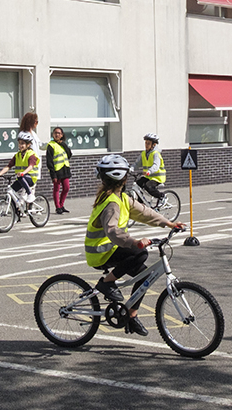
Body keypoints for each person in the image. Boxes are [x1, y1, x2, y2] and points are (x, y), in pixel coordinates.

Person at [87, 154, 187, 336]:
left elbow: (145, 213)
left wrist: (169, 223)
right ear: (124, 179)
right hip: (101, 252)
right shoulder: (112, 203)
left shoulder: (121, 198)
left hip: (111, 249)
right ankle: (107, 283)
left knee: (145, 275)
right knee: (139, 253)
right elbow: (112, 231)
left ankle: (131, 316)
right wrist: (134, 242)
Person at [0, 129, 40, 204]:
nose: (20, 145)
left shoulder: (31, 155)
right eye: (19, 143)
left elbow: (30, 166)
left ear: (28, 144)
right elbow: (8, 166)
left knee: (20, 177)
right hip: (21, 178)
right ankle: (16, 209)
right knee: (11, 191)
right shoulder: (17, 155)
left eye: (22, 143)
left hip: (31, 179)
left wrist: (23, 173)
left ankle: (30, 194)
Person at [45, 127, 73, 214]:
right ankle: (58, 207)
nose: (57, 135)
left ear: (62, 135)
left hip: (65, 169)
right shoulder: (51, 145)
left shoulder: (63, 144)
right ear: (53, 134)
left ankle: (61, 205)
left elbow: (69, 154)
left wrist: (63, 144)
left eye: (59, 133)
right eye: (55, 133)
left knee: (66, 188)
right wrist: (53, 175)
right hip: (57, 170)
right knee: (56, 189)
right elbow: (49, 161)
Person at [136, 133, 167, 205]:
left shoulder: (156, 154)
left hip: (158, 178)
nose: (146, 145)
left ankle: (162, 197)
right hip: (149, 177)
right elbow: (137, 164)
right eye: (145, 143)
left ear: (154, 144)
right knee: (138, 183)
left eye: (148, 143)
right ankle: (141, 203)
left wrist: (149, 171)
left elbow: (156, 166)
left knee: (148, 186)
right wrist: (130, 168)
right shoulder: (143, 154)